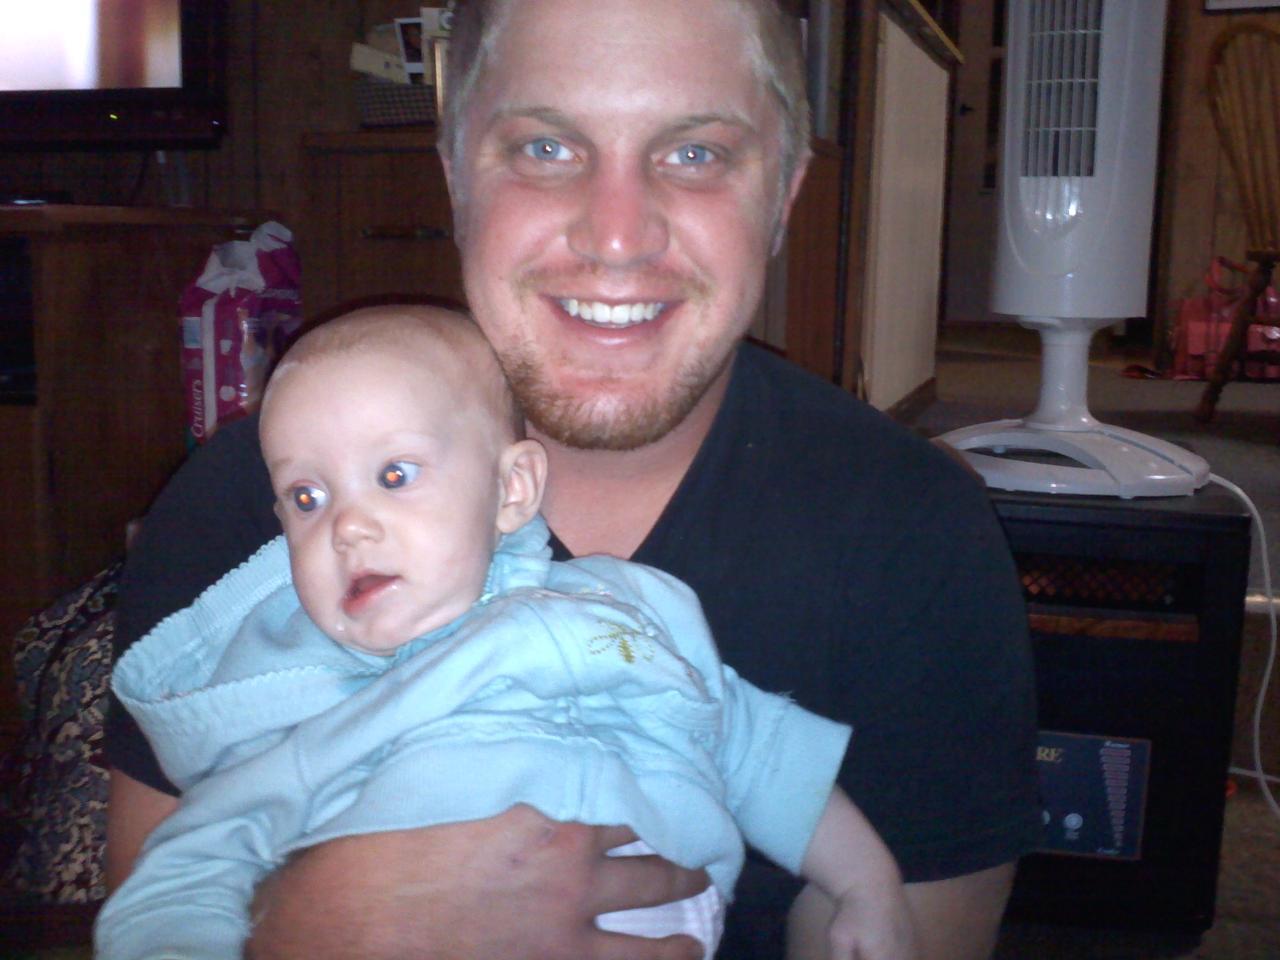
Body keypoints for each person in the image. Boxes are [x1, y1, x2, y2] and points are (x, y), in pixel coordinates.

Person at [104, 1, 1041, 958]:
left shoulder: (912, 537)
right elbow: (161, 906)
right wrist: (312, 929)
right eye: (546, 148)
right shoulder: (251, 504)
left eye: (697, 153)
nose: (617, 237)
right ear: (456, 177)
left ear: (783, 195)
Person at [95, 306, 917, 960]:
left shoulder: (633, 611)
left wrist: (867, 883)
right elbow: (185, 872)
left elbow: (762, 753)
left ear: (513, 488)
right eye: (307, 498)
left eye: (393, 475)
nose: (347, 526)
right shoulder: (301, 706)